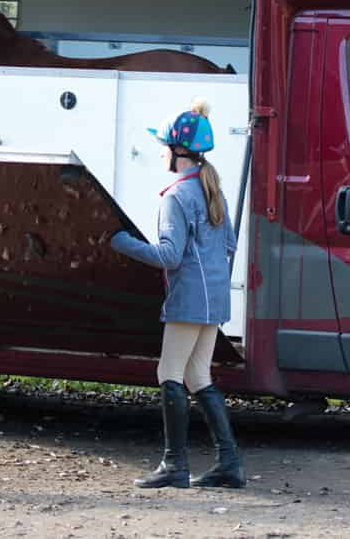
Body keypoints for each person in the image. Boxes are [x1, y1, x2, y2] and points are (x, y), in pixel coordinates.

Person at [109, 98, 246, 490]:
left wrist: (122, 242)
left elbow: (169, 256)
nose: (162, 153)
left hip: (188, 299)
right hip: (216, 299)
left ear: (175, 150)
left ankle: (175, 466)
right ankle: (230, 463)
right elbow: (230, 244)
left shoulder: (177, 196)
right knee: (198, 374)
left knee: (169, 373)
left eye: (163, 146)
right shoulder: (211, 189)